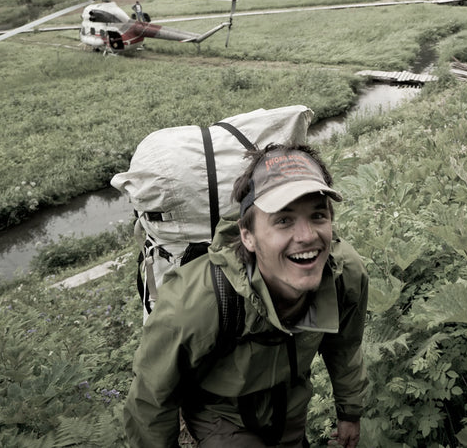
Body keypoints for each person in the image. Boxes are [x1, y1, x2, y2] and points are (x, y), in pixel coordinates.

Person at [124, 144, 369, 447]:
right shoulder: (198, 302)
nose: (307, 236)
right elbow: (152, 397)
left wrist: (350, 412)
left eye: (318, 215)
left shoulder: (345, 275)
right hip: (220, 414)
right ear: (247, 235)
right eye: (284, 220)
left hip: (290, 402)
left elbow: (344, 345)